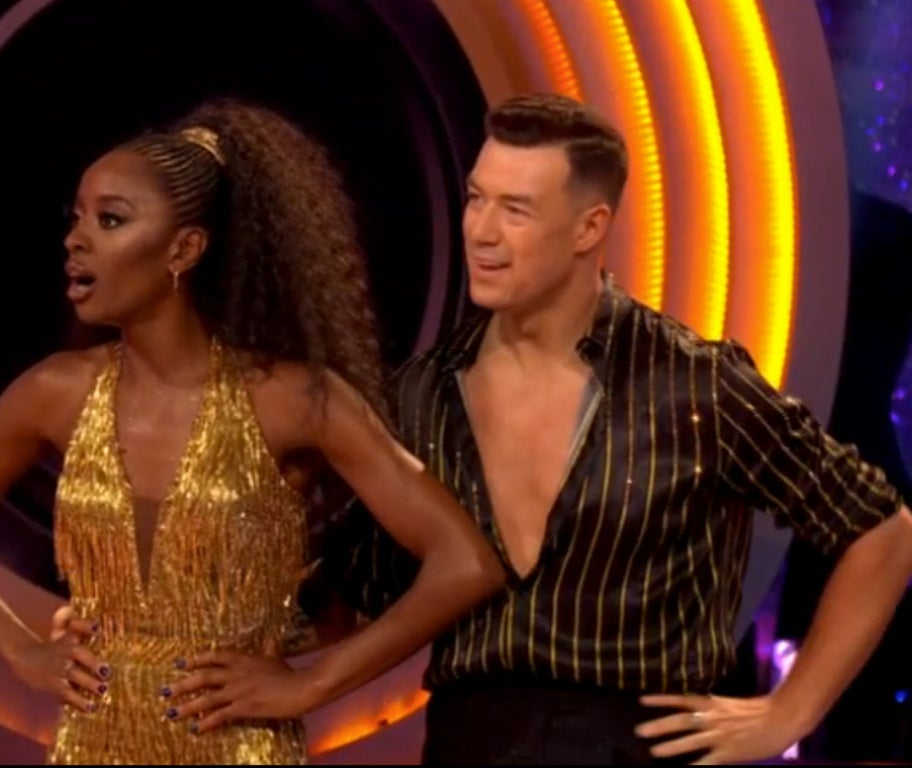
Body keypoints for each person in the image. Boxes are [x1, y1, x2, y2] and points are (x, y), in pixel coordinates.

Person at [0, 97, 505, 765]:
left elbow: (465, 564)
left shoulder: (293, 400)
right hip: (92, 746)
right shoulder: (53, 393)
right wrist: (21, 651)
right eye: (77, 217)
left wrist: (309, 685)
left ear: (184, 249)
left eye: (110, 219)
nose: (76, 239)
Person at [312, 93, 912, 765]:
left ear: (588, 228)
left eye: (515, 210)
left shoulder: (696, 385)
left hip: (637, 746)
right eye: (477, 199)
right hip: (468, 744)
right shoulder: (420, 394)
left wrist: (788, 712)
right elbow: (354, 590)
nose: (481, 231)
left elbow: (881, 530)